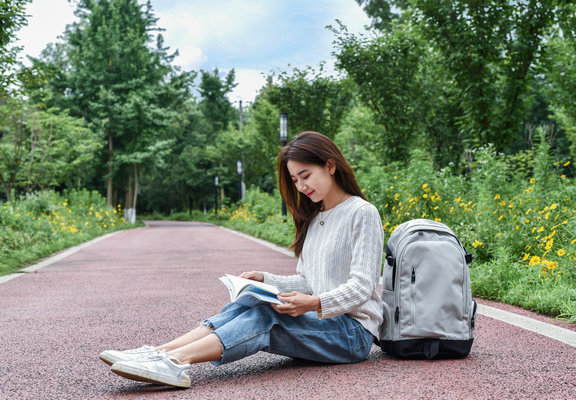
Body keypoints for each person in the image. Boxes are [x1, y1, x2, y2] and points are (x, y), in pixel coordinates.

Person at [100, 131, 384, 388]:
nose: (300, 186)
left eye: (306, 175)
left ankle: (176, 362)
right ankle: (160, 352)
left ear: (331, 166)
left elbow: (362, 286)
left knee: (267, 314)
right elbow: (310, 280)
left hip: (351, 334)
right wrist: (266, 280)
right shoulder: (314, 217)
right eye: (295, 180)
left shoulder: (362, 213)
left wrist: (313, 304)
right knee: (251, 298)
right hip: (322, 323)